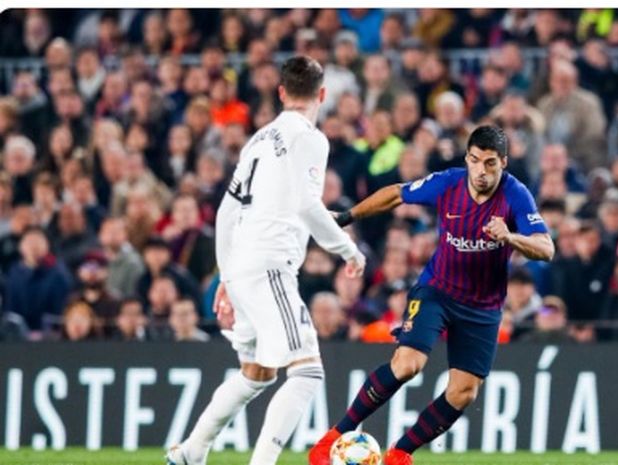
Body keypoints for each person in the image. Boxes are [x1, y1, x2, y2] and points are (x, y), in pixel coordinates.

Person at [309, 125, 554, 465]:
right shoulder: (449, 182)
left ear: (504, 163)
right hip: (437, 290)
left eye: (490, 164)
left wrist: (511, 237)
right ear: (467, 158)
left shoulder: (516, 195)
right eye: (475, 160)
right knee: (408, 365)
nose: (480, 171)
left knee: (464, 393)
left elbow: (546, 248)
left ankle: (400, 454)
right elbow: (396, 193)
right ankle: (331, 440)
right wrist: (348, 217)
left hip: (482, 308)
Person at [167, 56, 365, 465]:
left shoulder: (257, 140)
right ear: (322, 95)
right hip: (270, 265)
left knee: (257, 374)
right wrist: (348, 248)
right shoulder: (310, 138)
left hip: (241, 265)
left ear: (281, 92)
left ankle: (191, 451)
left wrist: (225, 276)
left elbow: (226, 212)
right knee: (308, 372)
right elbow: (308, 205)